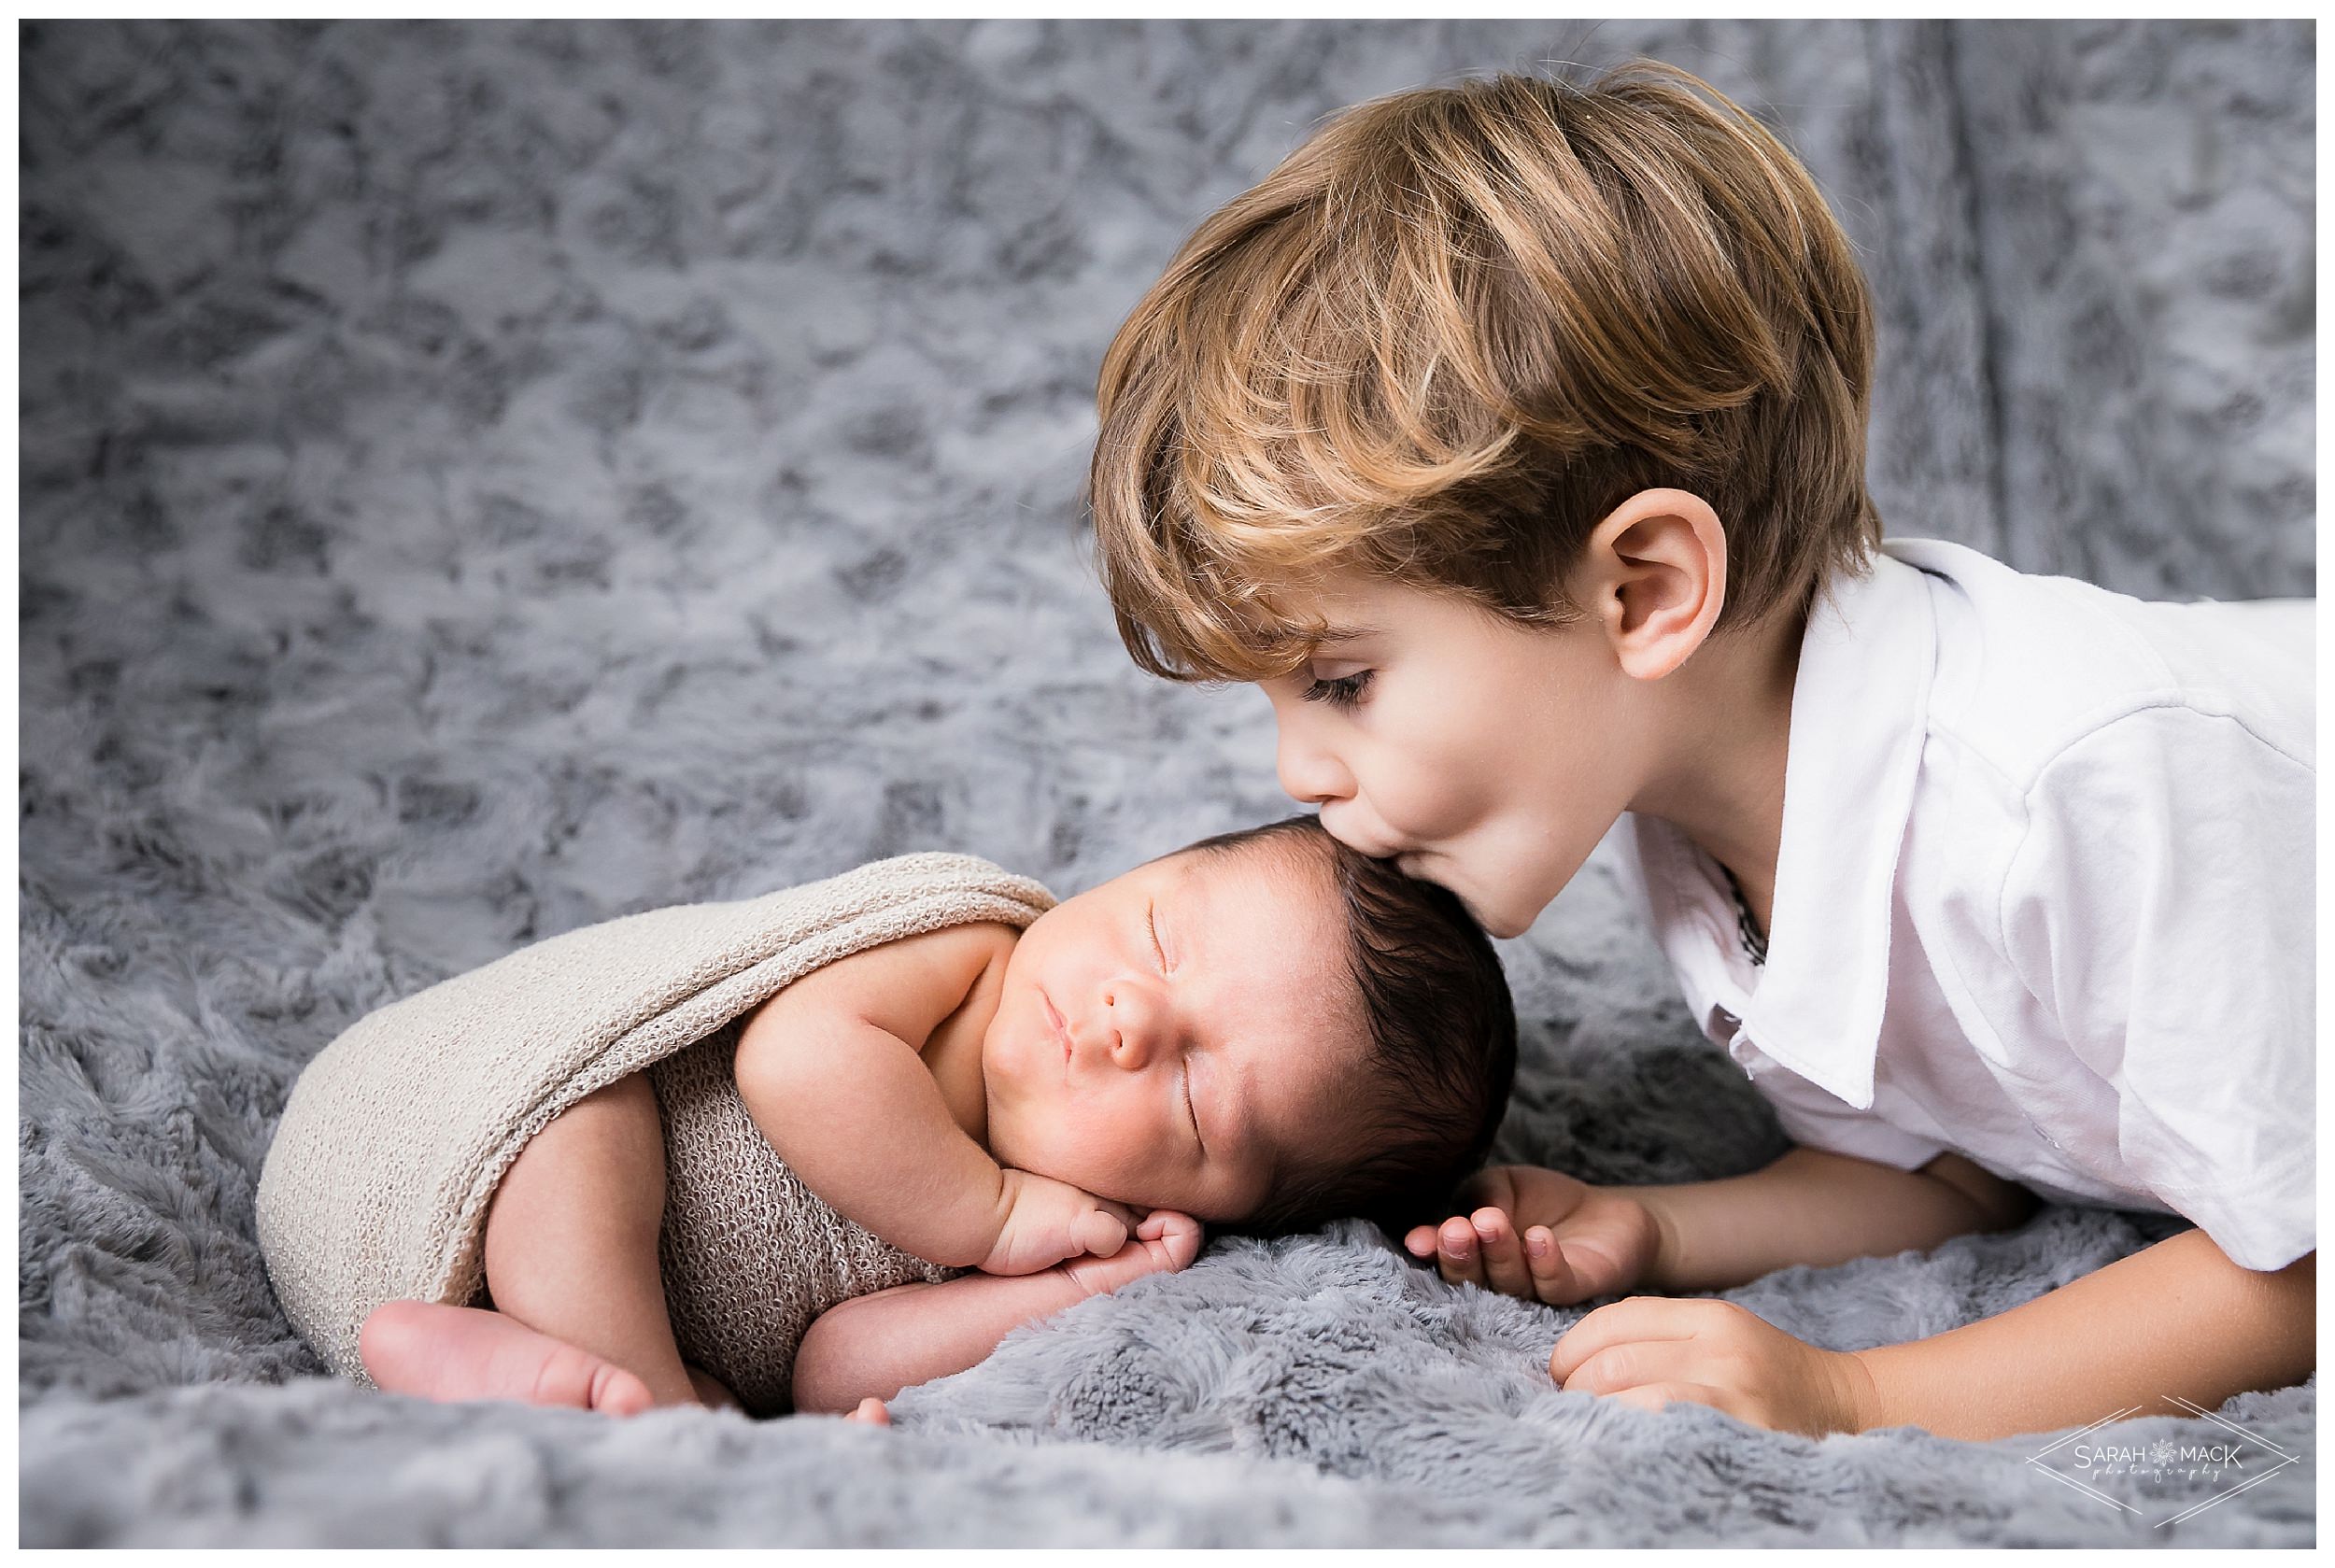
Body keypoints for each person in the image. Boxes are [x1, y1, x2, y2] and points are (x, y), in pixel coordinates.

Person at [1084, 62, 2314, 1442]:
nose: (1295, 774)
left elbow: (2305, 1261)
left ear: (1646, 593)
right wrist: (1655, 1226)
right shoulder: (1697, 808)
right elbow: (1969, 1153)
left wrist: (1853, 1389)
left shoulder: (2073, 793)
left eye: (1342, 680)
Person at [343, 815, 1516, 1420]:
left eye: (1197, 1093)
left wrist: (1066, 1287)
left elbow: (827, 1364)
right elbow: (793, 1063)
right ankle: (646, 1419)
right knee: (587, 1119)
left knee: (743, 1410)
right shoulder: (963, 949)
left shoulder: (1078, 1225)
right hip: (468, 1130)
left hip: (527, 1301)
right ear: (1133, 869)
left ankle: (551, 1380)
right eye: (1161, 936)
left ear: (1208, 1204)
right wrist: (993, 1215)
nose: (1128, 1018)